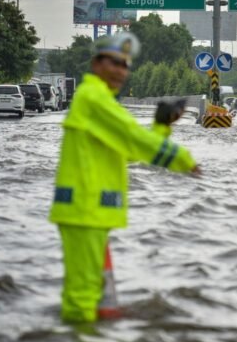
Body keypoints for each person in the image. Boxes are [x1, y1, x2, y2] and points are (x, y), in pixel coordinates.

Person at [49, 32, 201, 323]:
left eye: (125, 65)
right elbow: (132, 138)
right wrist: (184, 161)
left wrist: (161, 127)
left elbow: (126, 151)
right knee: (83, 296)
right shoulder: (93, 98)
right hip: (85, 209)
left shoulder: (97, 99)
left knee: (89, 293)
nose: (122, 71)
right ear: (96, 64)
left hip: (89, 210)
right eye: (115, 63)